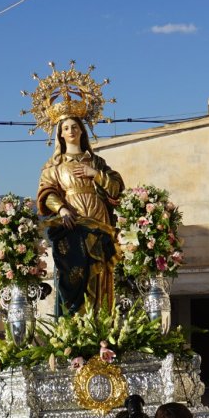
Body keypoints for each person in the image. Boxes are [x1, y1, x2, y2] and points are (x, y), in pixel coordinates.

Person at [36, 116, 124, 317]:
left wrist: (95, 174)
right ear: (60, 134)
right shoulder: (54, 165)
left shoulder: (96, 162)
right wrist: (61, 209)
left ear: (82, 130)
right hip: (72, 224)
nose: (71, 131)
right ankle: (75, 323)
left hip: (99, 221)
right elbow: (47, 192)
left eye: (75, 126)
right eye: (66, 128)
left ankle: (100, 322)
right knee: (74, 273)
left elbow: (116, 187)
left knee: (100, 273)